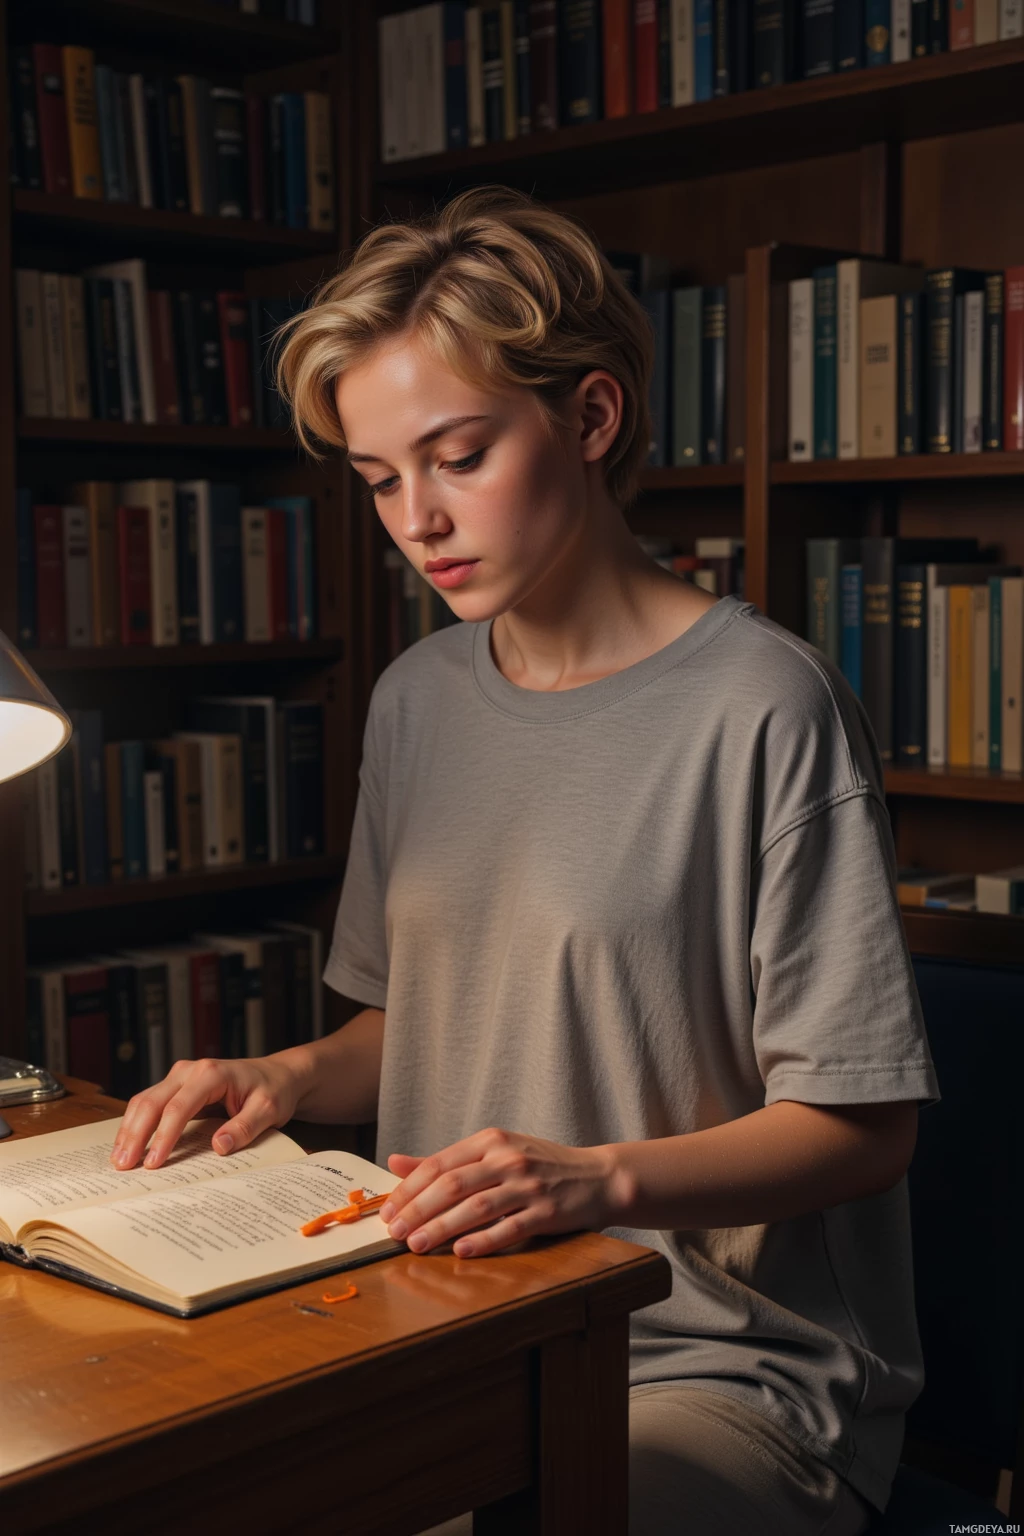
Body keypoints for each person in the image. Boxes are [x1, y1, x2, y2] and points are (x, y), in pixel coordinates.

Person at [109, 185, 940, 1536]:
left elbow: (865, 1127)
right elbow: (411, 1025)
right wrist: (281, 1075)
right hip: (449, 1330)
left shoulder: (764, 706)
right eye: (381, 480)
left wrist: (597, 1178)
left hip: (711, 1372)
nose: (416, 520)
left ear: (591, 419)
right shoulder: (417, 699)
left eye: (458, 455)